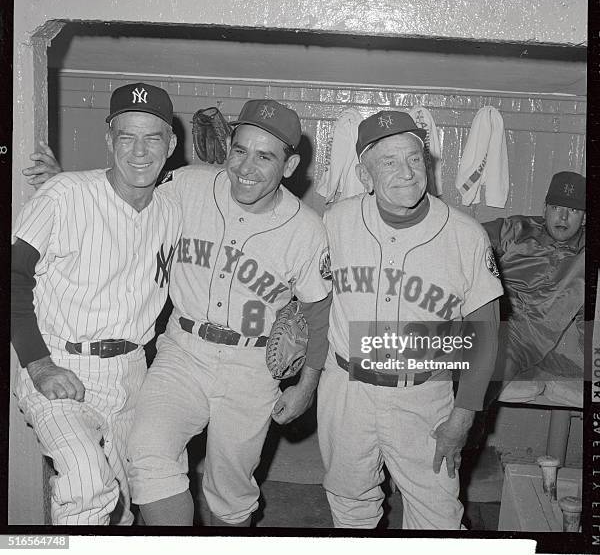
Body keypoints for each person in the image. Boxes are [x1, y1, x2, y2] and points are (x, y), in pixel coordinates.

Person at [126, 99, 332, 526]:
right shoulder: (187, 185)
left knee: (230, 492)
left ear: (290, 165)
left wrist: (306, 386)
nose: (246, 167)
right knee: (147, 453)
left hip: (253, 368)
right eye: (240, 150)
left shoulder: (307, 229)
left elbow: (318, 310)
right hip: (182, 351)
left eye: (265, 156)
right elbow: (126, 202)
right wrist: (71, 187)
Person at [317, 110, 503, 529]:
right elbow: (312, 301)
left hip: (424, 395)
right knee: (349, 506)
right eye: (389, 162)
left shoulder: (465, 234)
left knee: (438, 517)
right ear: (364, 176)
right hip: (346, 391)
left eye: (414, 159)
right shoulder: (337, 221)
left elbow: (485, 335)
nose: (407, 172)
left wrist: (463, 415)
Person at [11, 82, 182, 525]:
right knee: (86, 484)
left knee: (123, 507)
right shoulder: (63, 195)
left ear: (172, 144)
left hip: (131, 376)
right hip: (60, 365)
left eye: (153, 138)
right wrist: (39, 365)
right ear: (109, 140)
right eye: (126, 137)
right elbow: (12, 277)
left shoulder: (172, 210)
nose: (139, 151)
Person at [481, 171, 585, 403]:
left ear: (585, 217)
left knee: (478, 389)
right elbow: (468, 241)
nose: (563, 217)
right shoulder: (517, 230)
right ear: (545, 208)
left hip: (520, 342)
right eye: (557, 207)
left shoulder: (587, 259)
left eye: (574, 211)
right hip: (482, 319)